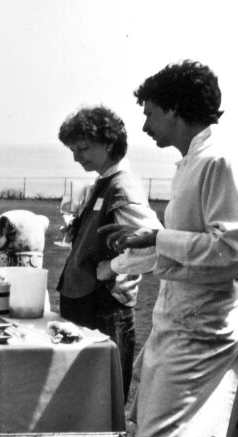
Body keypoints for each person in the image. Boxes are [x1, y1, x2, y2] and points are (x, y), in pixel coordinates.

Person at [101, 60, 238, 437]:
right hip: (176, 317)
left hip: (201, 327)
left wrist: (158, 237)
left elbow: (230, 250)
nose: (144, 125)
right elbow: (186, 248)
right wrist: (130, 254)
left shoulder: (217, 159)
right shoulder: (191, 162)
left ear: (176, 111)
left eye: (152, 112)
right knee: (149, 430)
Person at [56, 106, 162, 398]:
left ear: (110, 144)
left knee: (102, 399)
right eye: (73, 150)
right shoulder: (102, 183)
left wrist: (113, 267)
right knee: (83, 398)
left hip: (105, 310)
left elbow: (155, 246)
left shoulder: (122, 187)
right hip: (86, 306)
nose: (77, 157)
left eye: (83, 148)